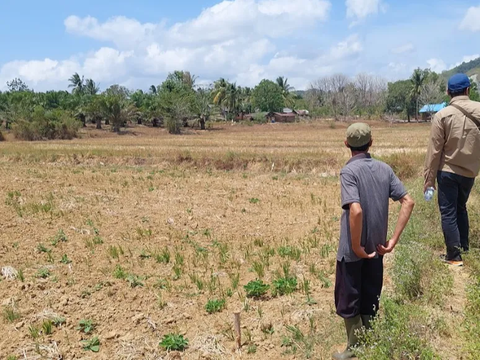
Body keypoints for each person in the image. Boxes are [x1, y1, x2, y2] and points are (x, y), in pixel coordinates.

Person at [333, 123, 415, 359]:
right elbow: (408, 202)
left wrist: (357, 246)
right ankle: (370, 342)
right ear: (371, 142)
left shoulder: (348, 172)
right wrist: (393, 241)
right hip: (377, 247)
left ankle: (353, 349)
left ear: (346, 144)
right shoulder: (384, 169)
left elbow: (355, 211)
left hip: (352, 250)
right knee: (370, 293)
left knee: (349, 296)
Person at [424, 73, 480, 266]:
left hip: (447, 171)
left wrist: (429, 180)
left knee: (448, 212)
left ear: (448, 92)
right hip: (470, 173)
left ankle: (454, 256)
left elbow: (434, 152)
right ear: (468, 90)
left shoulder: (442, 115)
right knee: (461, 208)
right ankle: (464, 247)